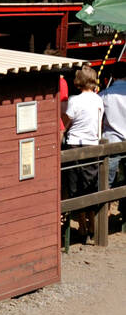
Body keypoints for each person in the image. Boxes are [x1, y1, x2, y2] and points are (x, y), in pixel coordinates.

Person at [63, 66, 104, 242]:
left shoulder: (74, 101)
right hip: (93, 145)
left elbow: (65, 124)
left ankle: (81, 226)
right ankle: (92, 225)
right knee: (90, 185)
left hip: (74, 144)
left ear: (78, 81)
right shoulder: (98, 100)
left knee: (75, 187)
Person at [100, 75, 126, 221]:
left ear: (111, 78)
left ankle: (104, 216)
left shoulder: (105, 95)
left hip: (111, 142)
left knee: (106, 182)